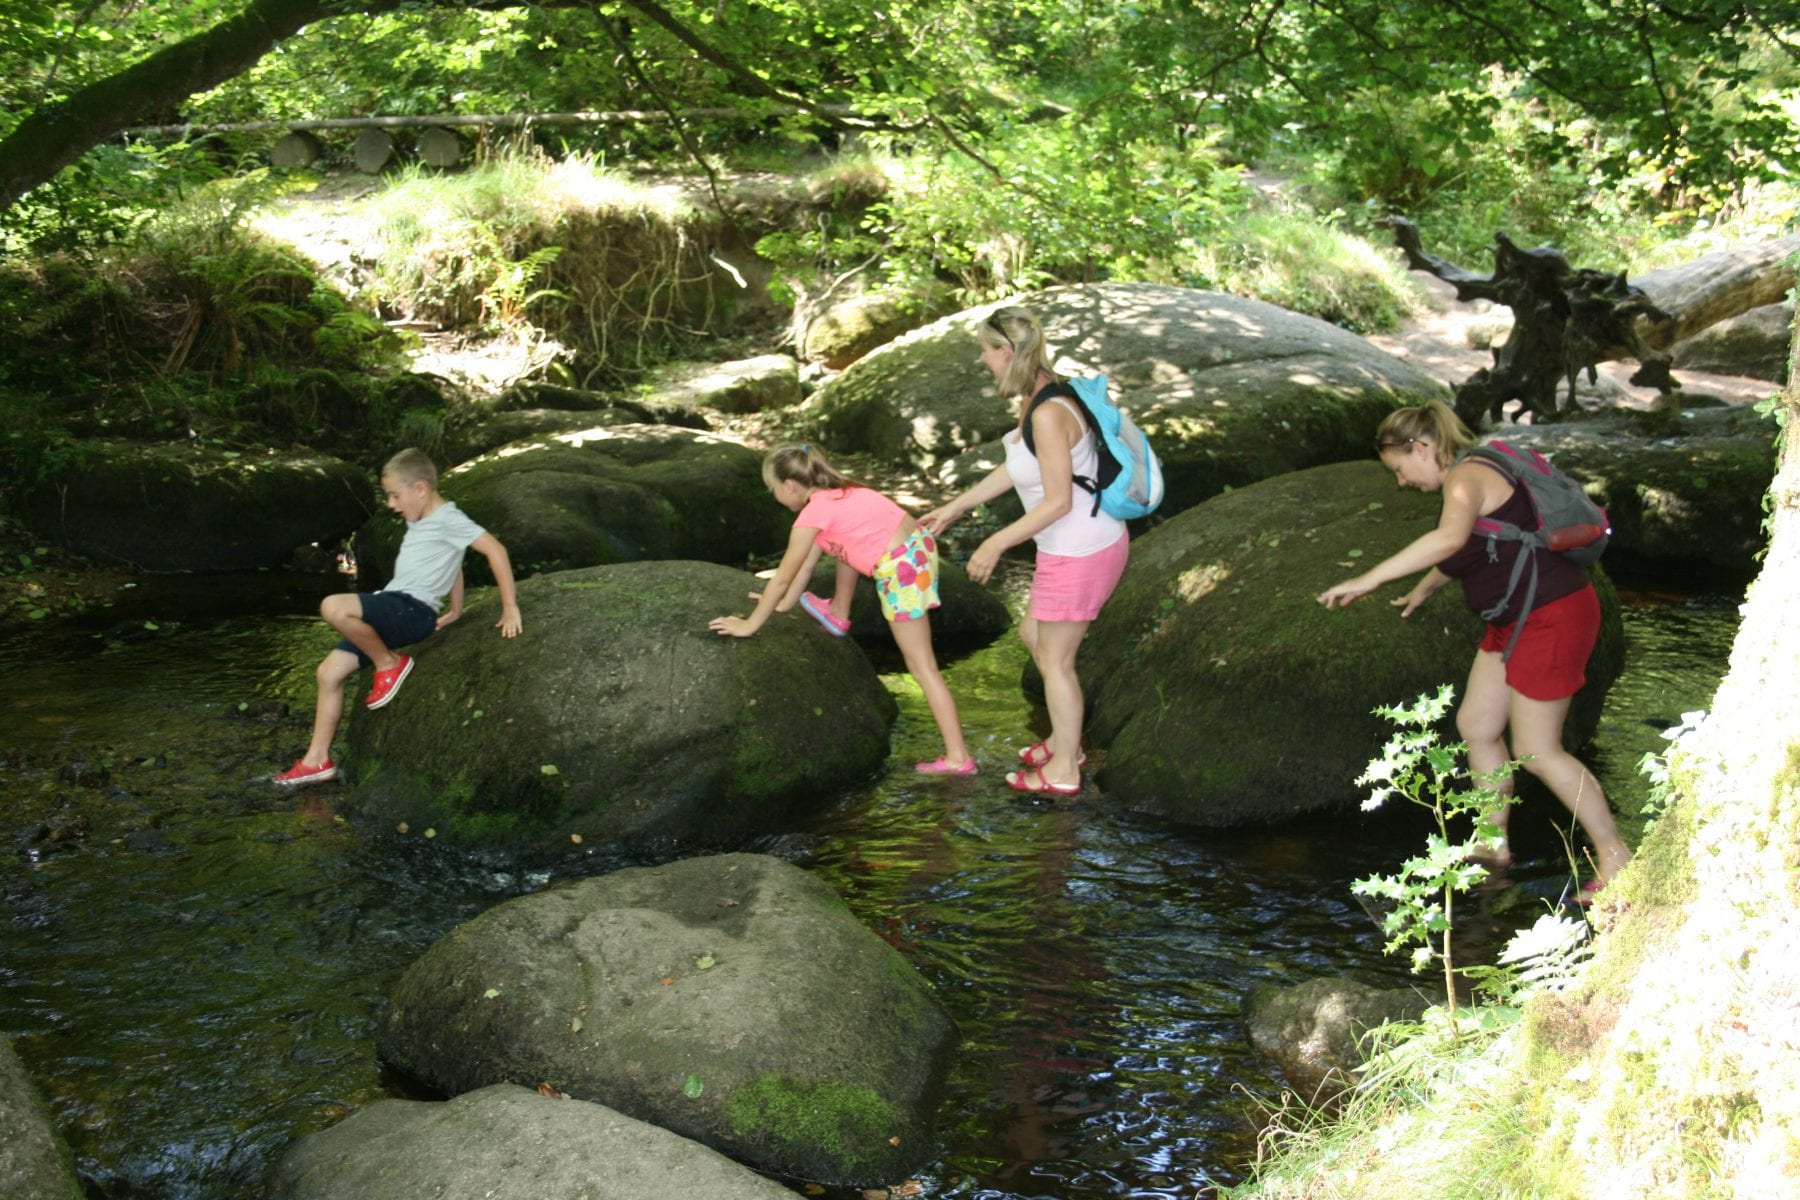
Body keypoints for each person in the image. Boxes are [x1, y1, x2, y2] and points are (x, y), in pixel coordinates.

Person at [1316, 400, 1631, 896]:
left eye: (1399, 469)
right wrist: (1427, 587)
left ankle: (1616, 856)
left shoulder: (1466, 477)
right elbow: (1485, 543)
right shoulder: (1485, 464)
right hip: (1516, 618)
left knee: (1536, 750)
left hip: (1552, 617)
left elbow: (1448, 539)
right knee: (1477, 726)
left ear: (1421, 448)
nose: (1401, 482)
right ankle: (1492, 842)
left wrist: (1368, 578)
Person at [919, 306, 1130, 795]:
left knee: (1055, 662)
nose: (982, 359)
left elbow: (1057, 500)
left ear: (1007, 352)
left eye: (986, 350)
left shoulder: (1051, 412)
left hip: (1081, 550)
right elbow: (1020, 466)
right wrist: (955, 507)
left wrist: (995, 541)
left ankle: (1064, 769)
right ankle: (1065, 739)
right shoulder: (1042, 391)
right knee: (1034, 634)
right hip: (1069, 546)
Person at [709, 443, 976, 775]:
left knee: (922, 667)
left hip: (902, 571)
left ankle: (957, 758)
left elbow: (783, 578)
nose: (774, 494)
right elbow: (805, 567)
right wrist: (782, 605)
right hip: (918, 548)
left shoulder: (812, 515)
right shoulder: (843, 492)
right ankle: (839, 612)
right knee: (839, 542)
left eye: (772, 488)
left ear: (790, 485)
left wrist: (750, 624)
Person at [274, 448, 523, 787]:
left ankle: (388, 664)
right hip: (393, 608)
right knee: (328, 673)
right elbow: (454, 562)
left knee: (334, 606)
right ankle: (317, 760)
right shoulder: (421, 521)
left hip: (409, 610)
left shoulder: (448, 518)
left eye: (395, 494)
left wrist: (510, 607)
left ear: (420, 488)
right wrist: (456, 610)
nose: (391, 504)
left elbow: (496, 550)